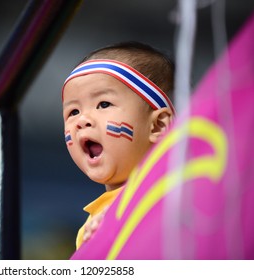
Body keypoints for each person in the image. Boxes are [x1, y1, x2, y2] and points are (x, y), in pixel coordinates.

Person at [61, 41, 176, 249]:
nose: (81, 120)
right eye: (73, 112)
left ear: (158, 125)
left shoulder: (171, 193)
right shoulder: (88, 226)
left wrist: (116, 225)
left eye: (103, 104)